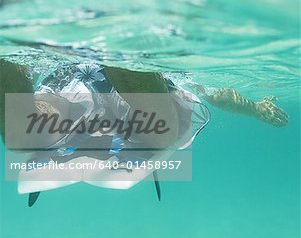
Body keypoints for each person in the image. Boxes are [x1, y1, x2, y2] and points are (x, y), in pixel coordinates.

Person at [0, 52, 288, 206]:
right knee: (160, 131)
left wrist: (255, 109)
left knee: (25, 134)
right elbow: (215, 93)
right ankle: (123, 48)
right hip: (79, 77)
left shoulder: (56, 63)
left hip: (69, 77)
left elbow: (215, 93)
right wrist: (255, 108)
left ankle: (7, 56)